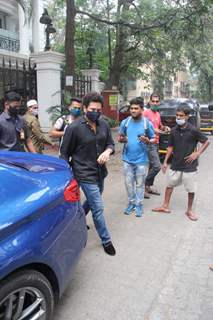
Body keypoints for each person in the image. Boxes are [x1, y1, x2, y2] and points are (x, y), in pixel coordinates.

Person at [60, 92, 116, 256]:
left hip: (100, 172)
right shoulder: (74, 128)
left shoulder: (104, 124)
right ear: (85, 108)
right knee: (98, 207)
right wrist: (67, 174)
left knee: (92, 202)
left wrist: (107, 151)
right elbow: (64, 154)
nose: (96, 113)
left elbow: (111, 144)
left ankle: (77, 219)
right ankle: (106, 240)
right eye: (92, 109)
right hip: (83, 173)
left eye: (99, 110)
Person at [152, 103, 209, 221]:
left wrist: (197, 153)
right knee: (169, 185)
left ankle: (189, 210)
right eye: (177, 115)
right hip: (176, 164)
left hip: (190, 166)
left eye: (181, 116)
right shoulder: (173, 130)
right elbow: (170, 147)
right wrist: (165, 162)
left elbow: (206, 141)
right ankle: (165, 206)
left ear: (187, 117)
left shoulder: (193, 130)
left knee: (191, 189)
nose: (178, 118)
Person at [118, 97, 155, 217]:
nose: (133, 111)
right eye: (131, 108)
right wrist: (122, 139)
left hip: (142, 160)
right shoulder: (126, 122)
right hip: (127, 159)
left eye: (136, 108)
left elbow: (154, 138)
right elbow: (120, 137)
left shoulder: (146, 123)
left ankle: (139, 205)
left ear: (141, 109)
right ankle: (131, 203)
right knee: (128, 184)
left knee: (140, 184)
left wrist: (147, 140)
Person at [143, 93, 170, 198]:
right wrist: (159, 131)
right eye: (153, 101)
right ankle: (143, 186)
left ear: (159, 103)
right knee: (157, 166)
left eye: (156, 101)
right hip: (149, 143)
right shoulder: (146, 113)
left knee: (151, 166)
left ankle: (148, 187)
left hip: (157, 142)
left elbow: (159, 125)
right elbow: (146, 127)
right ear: (149, 102)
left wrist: (164, 127)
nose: (154, 103)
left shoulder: (157, 114)